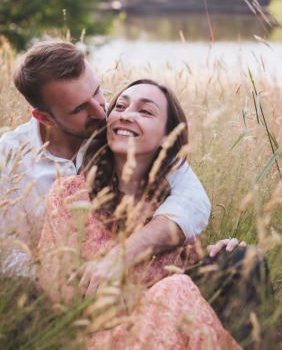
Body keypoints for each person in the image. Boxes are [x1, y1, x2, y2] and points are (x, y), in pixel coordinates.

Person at [37, 78, 243, 350]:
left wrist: (220, 251)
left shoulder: (171, 203)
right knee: (175, 289)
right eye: (120, 106)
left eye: (145, 111)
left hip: (167, 333)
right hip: (100, 338)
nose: (126, 115)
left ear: (167, 136)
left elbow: (191, 280)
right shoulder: (71, 193)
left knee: (231, 263)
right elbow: (53, 286)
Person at [0, 40, 210, 276]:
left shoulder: (123, 127)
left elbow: (193, 201)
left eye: (97, 92)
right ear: (45, 118)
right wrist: (74, 282)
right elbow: (6, 255)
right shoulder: (8, 159)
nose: (101, 112)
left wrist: (121, 257)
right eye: (79, 109)